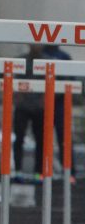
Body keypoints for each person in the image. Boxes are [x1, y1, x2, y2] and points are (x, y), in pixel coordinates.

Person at [41, 44, 76, 180]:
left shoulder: (64, 56)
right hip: (41, 102)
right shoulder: (39, 55)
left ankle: (69, 171)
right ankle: (42, 170)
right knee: (42, 137)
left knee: (64, 136)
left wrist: (59, 92)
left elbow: (71, 78)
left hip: (61, 102)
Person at [12, 44, 46, 179]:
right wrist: (17, 96)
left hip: (39, 107)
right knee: (19, 138)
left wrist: (44, 100)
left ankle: (39, 172)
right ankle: (18, 171)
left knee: (41, 140)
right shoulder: (21, 60)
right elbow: (12, 77)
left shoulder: (48, 61)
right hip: (23, 106)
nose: (36, 46)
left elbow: (55, 81)